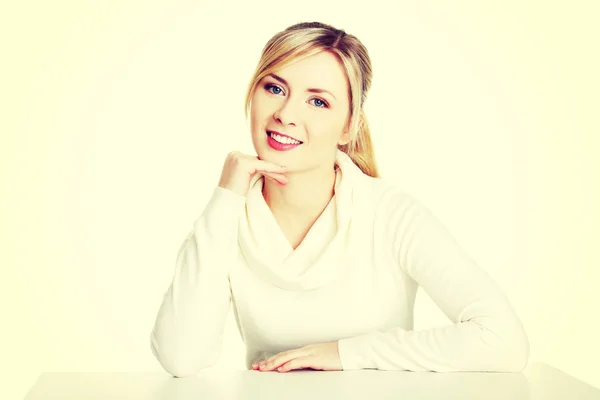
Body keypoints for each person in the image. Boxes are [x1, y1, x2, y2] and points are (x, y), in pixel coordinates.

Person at [150, 21, 530, 377]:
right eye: (275, 88)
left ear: (349, 126)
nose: (285, 114)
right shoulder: (227, 218)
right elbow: (182, 357)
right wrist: (225, 197)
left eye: (318, 102)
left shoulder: (390, 214)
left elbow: (503, 340)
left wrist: (345, 353)